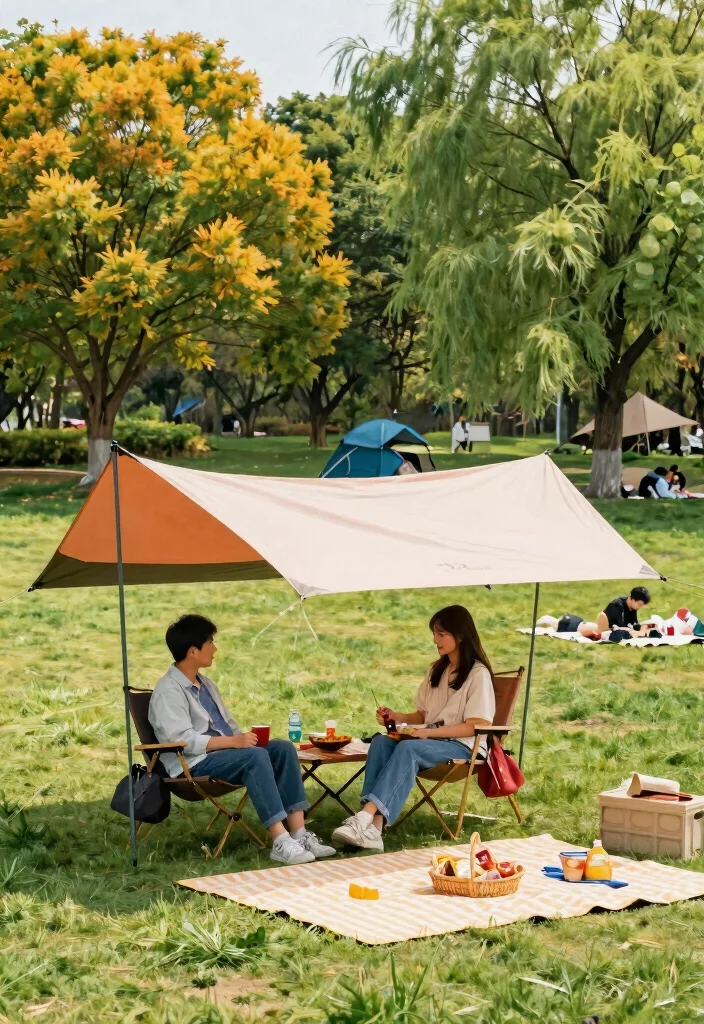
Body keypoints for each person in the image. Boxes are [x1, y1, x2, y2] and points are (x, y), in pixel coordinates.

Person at [149, 614, 335, 865]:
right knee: (255, 756)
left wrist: (244, 738)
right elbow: (182, 741)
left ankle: (299, 833)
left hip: (224, 754)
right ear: (193, 651)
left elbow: (227, 726)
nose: (215, 649)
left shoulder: (206, 684)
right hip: (193, 764)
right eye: (210, 642)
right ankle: (279, 841)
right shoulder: (168, 691)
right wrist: (234, 743)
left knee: (281, 748)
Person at [331, 605, 495, 851]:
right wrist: (397, 718)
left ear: (460, 635)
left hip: (463, 748)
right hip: (430, 742)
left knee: (409, 749)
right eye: (434, 634)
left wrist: (427, 732)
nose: (435, 640)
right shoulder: (437, 669)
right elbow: (422, 715)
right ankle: (374, 830)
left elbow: (475, 727)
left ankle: (363, 818)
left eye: (441, 634)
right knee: (382, 742)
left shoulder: (478, 674)